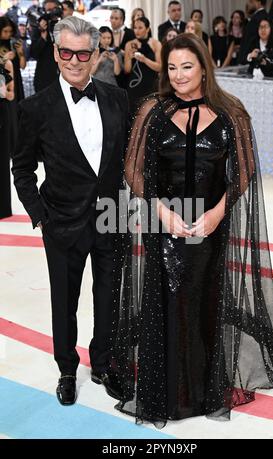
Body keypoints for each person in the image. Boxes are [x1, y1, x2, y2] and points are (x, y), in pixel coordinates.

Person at [111, 33, 273, 426]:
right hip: (166, 225)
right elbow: (132, 168)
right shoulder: (151, 111)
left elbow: (244, 171)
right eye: (172, 67)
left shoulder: (232, 112)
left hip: (210, 227)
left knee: (205, 300)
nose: (178, 75)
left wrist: (216, 214)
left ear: (204, 67)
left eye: (186, 66)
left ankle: (205, 387)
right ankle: (172, 390)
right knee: (168, 301)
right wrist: (160, 211)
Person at [12, 16, 129, 406]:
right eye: (67, 52)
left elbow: (129, 158)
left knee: (108, 295)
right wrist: (39, 214)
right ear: (57, 53)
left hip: (111, 215)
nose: (75, 60)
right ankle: (66, 367)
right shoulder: (35, 108)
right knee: (64, 299)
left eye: (83, 53)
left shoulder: (116, 99)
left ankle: (103, 362)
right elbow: (23, 168)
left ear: (96, 55)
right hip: (61, 221)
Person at [124, 17, 161, 115]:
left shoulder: (155, 44)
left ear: (147, 29)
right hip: (134, 85)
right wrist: (129, 57)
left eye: (140, 28)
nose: (137, 30)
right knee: (134, 115)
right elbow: (127, 70)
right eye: (135, 28)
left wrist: (144, 60)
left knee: (151, 114)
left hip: (151, 85)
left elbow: (160, 67)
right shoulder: (129, 44)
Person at [29, 0, 60, 92]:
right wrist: (43, 36)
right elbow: (33, 53)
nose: (51, 13)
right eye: (48, 10)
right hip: (44, 76)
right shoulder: (39, 27)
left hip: (62, 75)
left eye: (53, 9)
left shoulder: (64, 25)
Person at [0, 55, 14, 219]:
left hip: (2, 115)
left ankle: (3, 208)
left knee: (2, 161)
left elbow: (11, 94)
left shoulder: (5, 63)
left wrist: (4, 93)